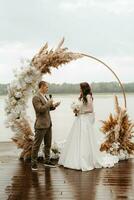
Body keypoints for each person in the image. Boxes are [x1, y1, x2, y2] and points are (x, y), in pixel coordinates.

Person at [58, 82, 119, 171]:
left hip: (85, 120)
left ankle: (86, 160)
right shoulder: (82, 96)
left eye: (80, 88)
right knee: (76, 138)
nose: (79, 89)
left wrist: (81, 111)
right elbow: (82, 107)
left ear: (84, 88)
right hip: (79, 120)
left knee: (85, 139)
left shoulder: (88, 96)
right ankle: (75, 159)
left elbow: (91, 109)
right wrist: (76, 110)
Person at [31, 81, 60, 170]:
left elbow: (47, 109)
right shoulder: (36, 97)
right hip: (40, 125)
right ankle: (33, 163)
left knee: (48, 144)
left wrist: (54, 106)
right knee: (37, 145)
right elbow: (40, 109)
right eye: (46, 87)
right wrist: (49, 102)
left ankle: (47, 161)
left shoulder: (45, 96)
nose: (47, 88)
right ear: (42, 87)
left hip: (48, 124)